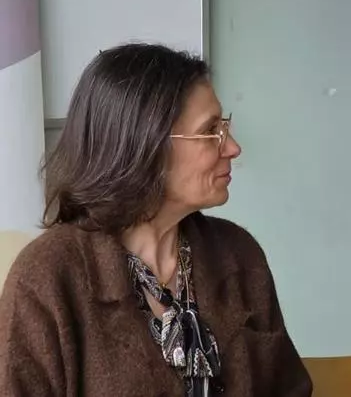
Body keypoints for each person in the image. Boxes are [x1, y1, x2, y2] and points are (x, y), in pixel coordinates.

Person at [0, 43, 312, 396]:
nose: (232, 147)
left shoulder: (239, 254)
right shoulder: (47, 278)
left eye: (223, 126)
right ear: (143, 145)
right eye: (210, 131)